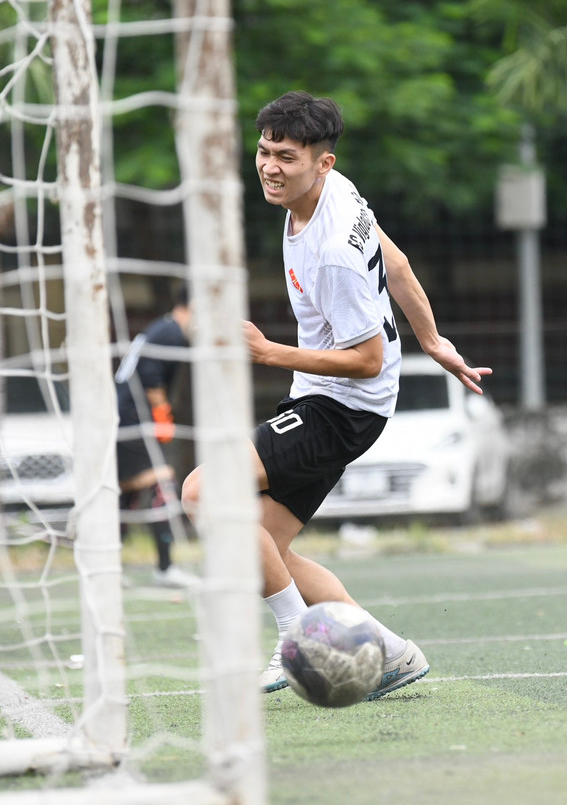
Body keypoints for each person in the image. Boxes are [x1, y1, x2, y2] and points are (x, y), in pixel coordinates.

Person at [181, 91, 491, 700]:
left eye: (286, 157)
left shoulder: (332, 256)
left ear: (320, 163)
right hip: (331, 401)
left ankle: (295, 633)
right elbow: (395, 260)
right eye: (264, 151)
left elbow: (367, 359)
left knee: (204, 490)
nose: (269, 166)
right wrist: (432, 339)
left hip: (341, 406)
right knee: (261, 545)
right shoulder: (337, 191)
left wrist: (269, 352)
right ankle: (389, 653)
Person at [115, 291, 199, 589]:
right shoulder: (172, 333)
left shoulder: (162, 328)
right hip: (131, 420)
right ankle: (165, 568)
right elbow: (150, 378)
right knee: (164, 483)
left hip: (122, 418)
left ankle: (109, 569)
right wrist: (162, 414)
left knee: (127, 493)